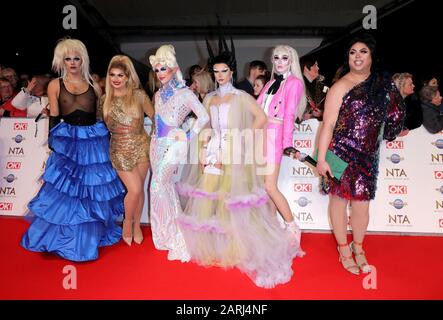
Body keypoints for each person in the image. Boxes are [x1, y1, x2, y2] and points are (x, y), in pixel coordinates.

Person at [177, 47, 303, 288]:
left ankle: (235, 246)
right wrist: (203, 150)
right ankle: (215, 245)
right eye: (216, 72)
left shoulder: (241, 97)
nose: (220, 75)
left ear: (232, 72)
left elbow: (262, 118)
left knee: (231, 198)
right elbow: (205, 126)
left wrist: (242, 139)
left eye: (224, 71)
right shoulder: (210, 97)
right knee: (210, 198)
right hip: (214, 149)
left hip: (233, 152)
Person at [20, 38, 125, 262]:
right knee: (65, 192)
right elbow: (55, 116)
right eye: (68, 59)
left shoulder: (95, 86)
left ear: (83, 60)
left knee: (89, 191)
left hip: (93, 143)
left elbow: (100, 117)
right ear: (61, 61)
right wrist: (52, 143)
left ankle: (85, 241)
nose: (72, 63)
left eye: (76, 58)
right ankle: (60, 240)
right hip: (67, 142)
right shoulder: (55, 85)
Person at [316, 34, 405, 275]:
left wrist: (391, 130)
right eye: (353, 52)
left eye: (363, 51)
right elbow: (328, 125)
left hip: (367, 156)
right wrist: (322, 159)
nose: (357, 56)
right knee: (338, 200)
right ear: (348, 57)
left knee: (361, 206)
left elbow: (396, 112)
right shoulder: (340, 86)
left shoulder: (383, 83)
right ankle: (344, 249)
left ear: (372, 56)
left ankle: (359, 247)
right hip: (339, 154)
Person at [149, 45, 209, 262]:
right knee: (162, 187)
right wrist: (155, 139)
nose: (159, 73)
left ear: (173, 69)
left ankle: (176, 237)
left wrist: (187, 136)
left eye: (163, 68)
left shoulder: (185, 93)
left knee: (156, 186)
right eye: (156, 70)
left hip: (174, 146)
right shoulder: (157, 95)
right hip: (157, 144)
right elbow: (157, 121)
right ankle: (165, 232)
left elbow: (203, 117)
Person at [101, 55, 154, 246]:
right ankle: (127, 223)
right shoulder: (104, 100)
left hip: (142, 147)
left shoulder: (139, 95)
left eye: (120, 75)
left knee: (138, 192)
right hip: (119, 149)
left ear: (127, 77)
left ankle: (137, 225)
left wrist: (159, 142)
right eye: (112, 75)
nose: (116, 79)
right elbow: (98, 128)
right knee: (135, 189)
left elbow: (156, 118)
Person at [256, 45, 306, 241]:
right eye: (276, 58)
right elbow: (257, 108)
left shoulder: (294, 83)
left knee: (270, 186)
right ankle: (272, 227)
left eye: (284, 58)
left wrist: (287, 144)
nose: (279, 62)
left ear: (292, 60)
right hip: (261, 134)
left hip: (275, 135)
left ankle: (292, 227)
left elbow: (290, 114)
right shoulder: (269, 84)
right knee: (262, 186)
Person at [299, 56, 328, 122]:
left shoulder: (324, 87)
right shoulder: (296, 86)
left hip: (319, 127)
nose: (318, 68)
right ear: (306, 68)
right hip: (301, 129)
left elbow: (331, 107)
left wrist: (322, 113)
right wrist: (300, 116)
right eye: (315, 65)